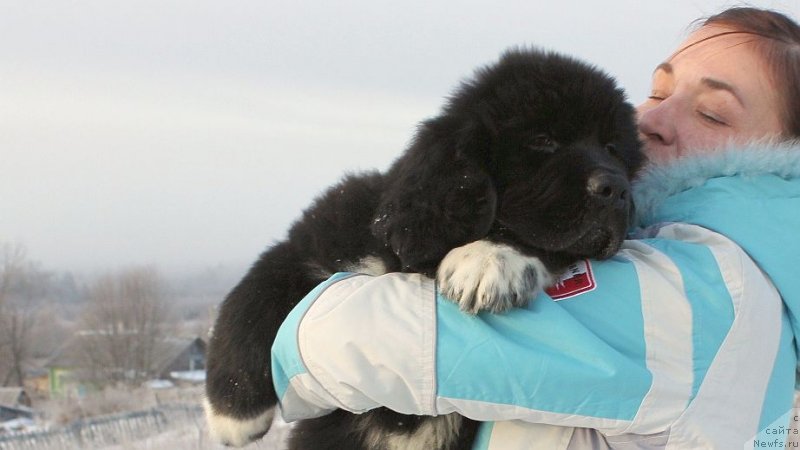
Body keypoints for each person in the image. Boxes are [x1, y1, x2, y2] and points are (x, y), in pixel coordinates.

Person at [271, 7, 800, 449]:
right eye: (659, 92)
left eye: (712, 113)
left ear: (781, 153)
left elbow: (386, 344)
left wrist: (285, 335)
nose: (650, 121)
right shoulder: (748, 271)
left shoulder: (710, 292)